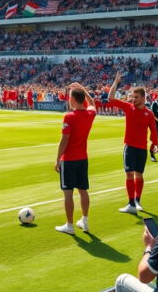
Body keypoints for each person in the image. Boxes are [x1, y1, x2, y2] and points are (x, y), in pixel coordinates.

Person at [109, 71, 158, 214]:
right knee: (129, 174)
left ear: (143, 98)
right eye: (132, 96)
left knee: (139, 175)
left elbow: (153, 129)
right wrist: (116, 82)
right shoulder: (128, 107)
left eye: (136, 97)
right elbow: (111, 97)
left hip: (142, 149)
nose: (133, 99)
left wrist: (154, 143)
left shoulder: (149, 113)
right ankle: (131, 204)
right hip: (129, 148)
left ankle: (137, 201)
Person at [54, 83, 96, 234]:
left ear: (72, 99)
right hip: (82, 159)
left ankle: (69, 225)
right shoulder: (90, 114)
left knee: (68, 193)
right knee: (83, 191)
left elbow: (64, 140)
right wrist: (84, 90)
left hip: (69, 160)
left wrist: (58, 159)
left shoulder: (69, 116)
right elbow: (92, 104)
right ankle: (84, 221)